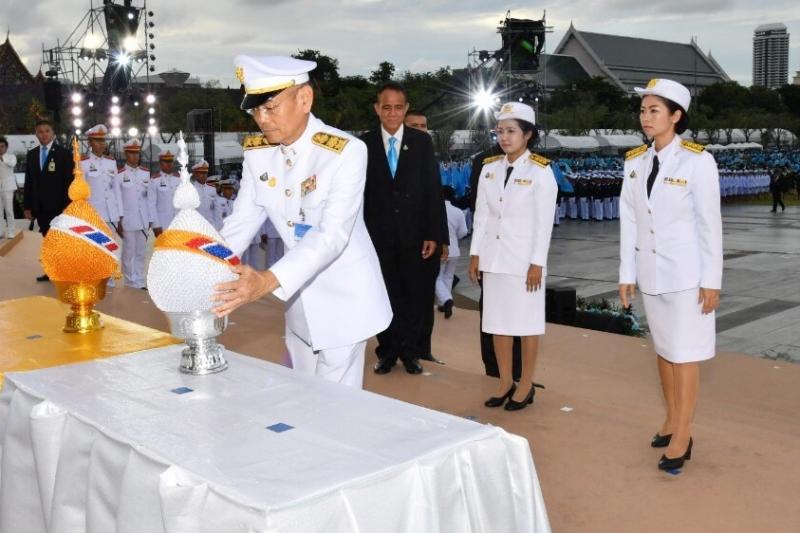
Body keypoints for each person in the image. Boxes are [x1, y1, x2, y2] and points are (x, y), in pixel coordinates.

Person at [215, 55, 392, 389]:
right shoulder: (257, 153)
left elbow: (331, 235)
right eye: (255, 110)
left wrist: (266, 280)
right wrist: (205, 265)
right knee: (302, 395)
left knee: (335, 405)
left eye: (270, 107)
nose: (261, 119)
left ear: (305, 99)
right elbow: (241, 222)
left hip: (345, 300)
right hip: (298, 303)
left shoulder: (345, 151)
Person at [619, 78, 723, 471]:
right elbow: (629, 222)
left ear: (676, 116)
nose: (645, 117)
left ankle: (683, 432)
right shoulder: (635, 162)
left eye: (654, 110)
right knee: (664, 351)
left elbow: (710, 226)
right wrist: (627, 273)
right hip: (651, 273)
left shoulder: (698, 161)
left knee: (685, 354)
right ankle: (670, 419)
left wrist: (711, 281)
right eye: (643, 110)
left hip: (686, 277)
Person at [468, 102, 557, 412]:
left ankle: (526, 384)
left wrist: (537, 262)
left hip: (524, 261)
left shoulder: (540, 171)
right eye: (500, 131)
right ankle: (505, 380)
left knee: (527, 324)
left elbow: (544, 223)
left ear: (527, 134)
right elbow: (481, 215)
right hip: (493, 258)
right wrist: (475, 254)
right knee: (497, 322)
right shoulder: (489, 168)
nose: (504, 137)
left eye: (511, 131)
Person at [361, 82, 446, 375]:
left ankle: (410, 352)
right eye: (386, 107)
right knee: (384, 294)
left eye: (398, 107)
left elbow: (433, 189)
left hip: (415, 236)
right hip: (378, 236)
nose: (392, 113)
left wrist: (434, 233)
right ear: (377, 109)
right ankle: (387, 351)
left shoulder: (421, 142)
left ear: (406, 108)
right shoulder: (364, 144)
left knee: (414, 295)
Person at [469, 143, 524, 381]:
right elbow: (480, 210)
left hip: (520, 252)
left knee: (519, 313)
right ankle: (495, 371)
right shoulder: (485, 161)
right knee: (492, 313)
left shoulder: (533, 163)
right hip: (492, 250)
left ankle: (518, 373)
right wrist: (477, 253)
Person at [403, 109, 449, 364]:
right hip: (400, 243)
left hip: (429, 243)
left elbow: (437, 202)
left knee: (425, 299)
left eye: (423, 126)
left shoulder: (430, 158)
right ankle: (401, 348)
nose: (421, 131)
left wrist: (443, 239)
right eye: (414, 126)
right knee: (401, 299)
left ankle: (423, 348)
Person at [23, 118, 75, 281]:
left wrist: (68, 206)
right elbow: (29, 182)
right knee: (48, 239)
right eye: (40, 132)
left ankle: (64, 271)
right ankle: (51, 271)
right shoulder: (32, 154)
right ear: (36, 134)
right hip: (40, 207)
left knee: (60, 239)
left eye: (47, 131)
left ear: (53, 133)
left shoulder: (64, 154)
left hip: (59, 206)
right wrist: (27, 206)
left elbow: (69, 182)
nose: (44, 134)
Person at [117, 139, 155, 289]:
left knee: (141, 251)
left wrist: (151, 217)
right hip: (127, 219)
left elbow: (149, 198)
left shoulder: (145, 173)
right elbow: (118, 198)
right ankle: (130, 280)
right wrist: (119, 220)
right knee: (129, 251)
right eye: (131, 153)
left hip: (143, 218)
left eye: (137, 153)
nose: (135, 156)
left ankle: (139, 279)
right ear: (126, 154)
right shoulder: (120, 174)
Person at [81, 125, 123, 235]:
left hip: (112, 215)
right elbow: (82, 194)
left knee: (111, 245)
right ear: (89, 143)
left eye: (103, 140)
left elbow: (117, 190)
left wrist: (120, 213)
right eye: (97, 140)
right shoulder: (83, 163)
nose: (101, 143)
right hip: (94, 215)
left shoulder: (111, 162)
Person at [435, 185, 468, 318]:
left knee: (436, 277)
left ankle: (446, 299)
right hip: (454, 249)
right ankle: (443, 305)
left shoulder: (435, 211)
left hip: (439, 250)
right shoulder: (458, 212)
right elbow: (463, 232)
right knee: (448, 276)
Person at [150, 150, 180, 235]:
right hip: (163, 225)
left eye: (170, 161)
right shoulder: (154, 181)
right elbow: (151, 205)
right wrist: (156, 225)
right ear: (160, 163)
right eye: (165, 161)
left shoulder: (179, 179)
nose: (168, 163)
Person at [190, 160, 218, 227]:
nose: (204, 175)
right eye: (201, 172)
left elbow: (216, 210)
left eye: (205, 172)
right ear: (195, 174)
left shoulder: (212, 189)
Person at [0, 136, 18, 238]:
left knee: (9, 210)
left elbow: (12, 164)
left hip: (8, 187)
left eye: (2, 146)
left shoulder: (11, 157)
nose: (0, 148)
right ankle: (1, 231)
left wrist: (2, 158)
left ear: (6, 147)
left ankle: (11, 231)